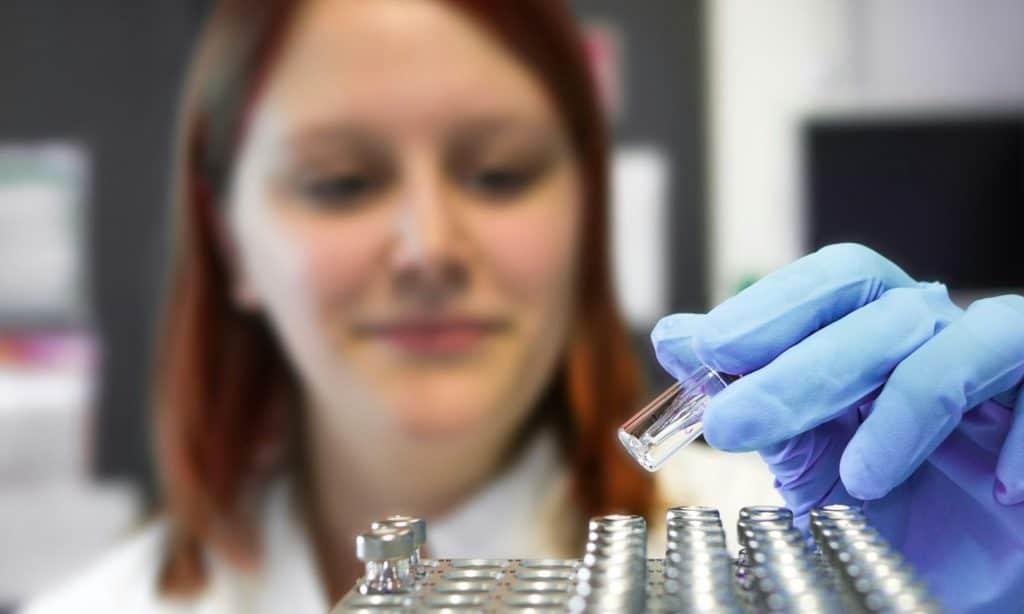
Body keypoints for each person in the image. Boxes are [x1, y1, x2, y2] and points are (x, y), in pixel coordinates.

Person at [21, 1, 1024, 613]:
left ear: (584, 217)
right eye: (339, 181)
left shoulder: (794, 560)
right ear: (230, 239)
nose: (429, 248)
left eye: (499, 172)